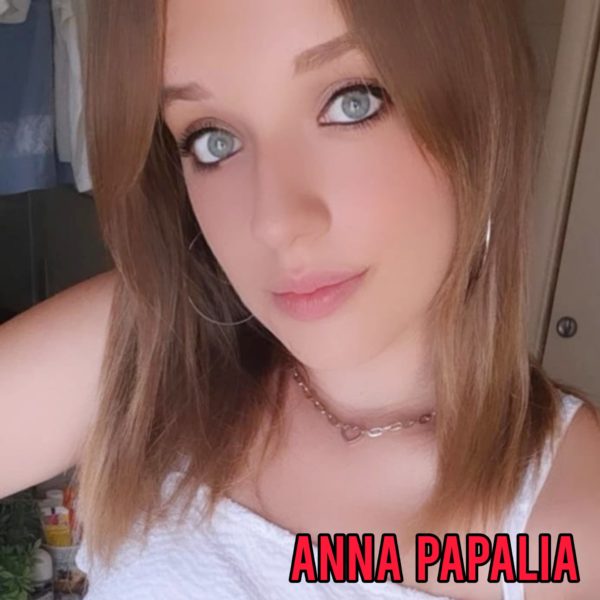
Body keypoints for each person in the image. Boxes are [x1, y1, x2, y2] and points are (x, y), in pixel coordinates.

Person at [1, 0, 599, 598]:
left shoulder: (565, 529)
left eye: (352, 103)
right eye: (213, 140)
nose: (275, 222)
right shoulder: (148, 348)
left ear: (477, 111)